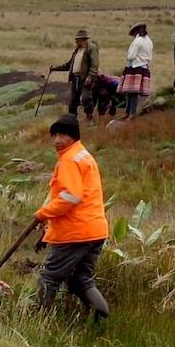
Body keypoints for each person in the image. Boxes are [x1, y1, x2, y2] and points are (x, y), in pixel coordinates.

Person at [31, 116, 110, 320]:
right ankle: (101, 316)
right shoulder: (84, 156)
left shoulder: (69, 160)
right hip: (96, 230)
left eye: (63, 134)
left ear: (73, 136)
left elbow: (70, 197)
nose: (57, 139)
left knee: (50, 277)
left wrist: (42, 214)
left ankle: (38, 322)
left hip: (75, 232)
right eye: (54, 135)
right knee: (80, 279)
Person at [49, 29, 99, 119]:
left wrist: (90, 76)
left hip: (85, 78)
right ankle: (72, 119)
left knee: (86, 98)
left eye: (77, 39)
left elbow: (94, 64)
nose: (76, 41)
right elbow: (69, 65)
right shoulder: (77, 51)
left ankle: (89, 117)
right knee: (73, 101)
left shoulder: (91, 48)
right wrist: (55, 68)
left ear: (82, 39)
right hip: (76, 78)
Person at [121, 21, 153, 119]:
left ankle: (131, 113)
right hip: (144, 67)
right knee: (133, 92)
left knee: (132, 92)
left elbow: (131, 56)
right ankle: (129, 112)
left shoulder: (138, 41)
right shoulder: (149, 41)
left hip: (135, 67)